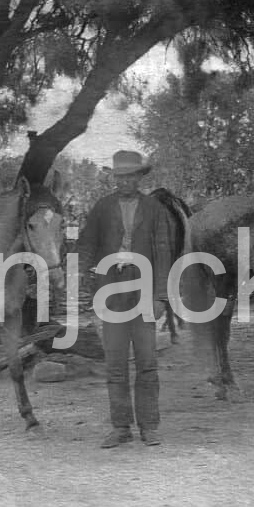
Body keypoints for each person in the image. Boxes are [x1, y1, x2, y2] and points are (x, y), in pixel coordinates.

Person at [77, 150, 182, 448]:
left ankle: (149, 426)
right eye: (120, 176)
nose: (125, 182)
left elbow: (163, 252)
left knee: (147, 362)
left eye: (131, 176)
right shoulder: (102, 207)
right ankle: (120, 427)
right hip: (111, 294)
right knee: (115, 364)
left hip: (145, 292)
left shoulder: (154, 209)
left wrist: (161, 296)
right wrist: (83, 282)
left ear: (139, 177)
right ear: (115, 178)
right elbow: (86, 247)